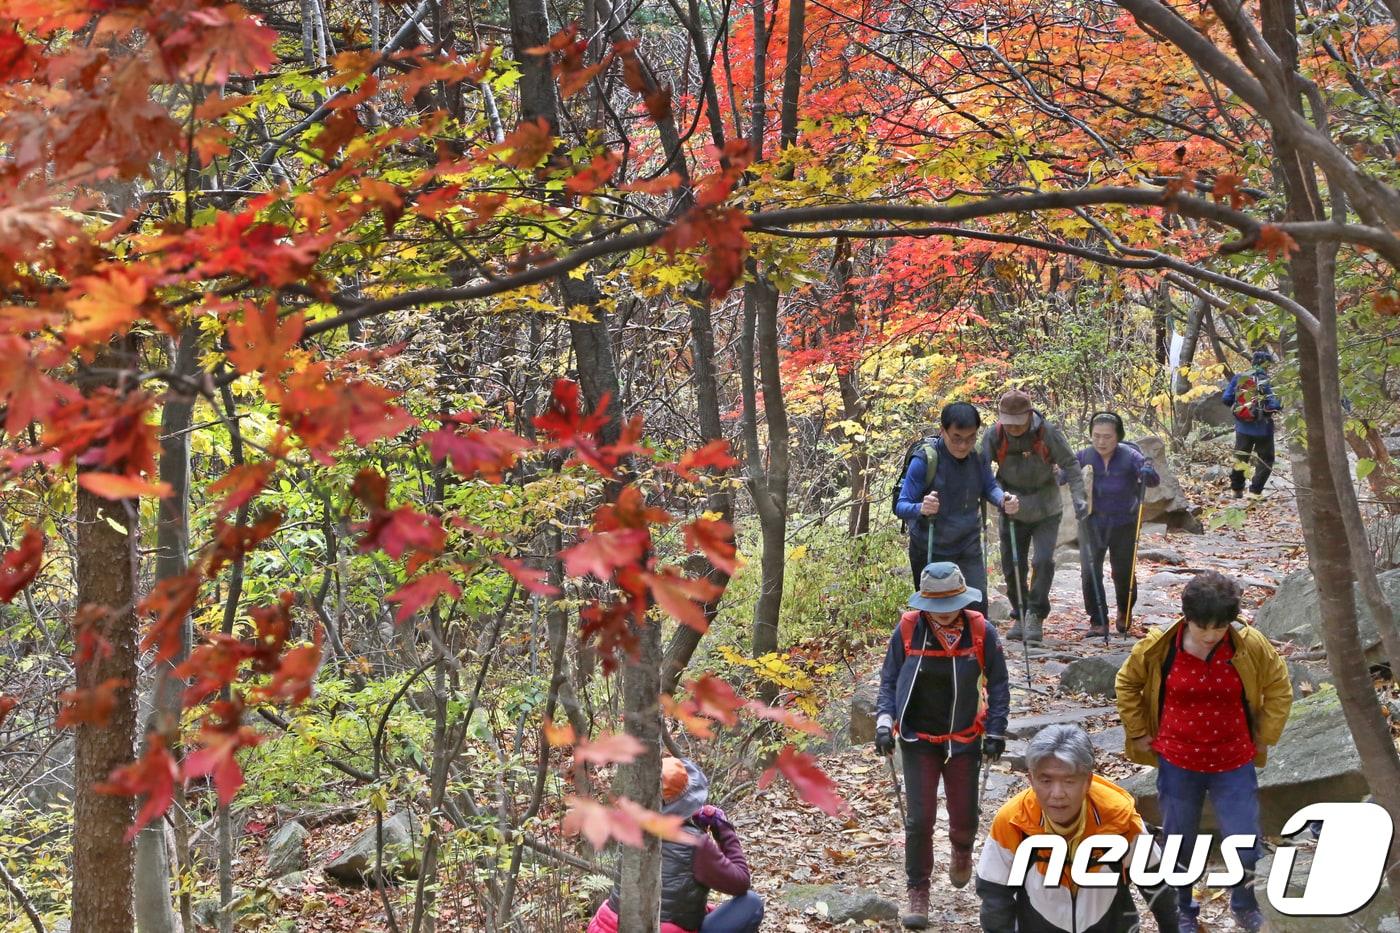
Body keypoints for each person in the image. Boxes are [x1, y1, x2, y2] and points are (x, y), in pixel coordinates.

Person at [1114, 571, 1292, 933]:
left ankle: (1244, 904)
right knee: (1179, 842)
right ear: (1187, 617)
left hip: (1233, 759)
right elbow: (1127, 683)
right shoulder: (1160, 646)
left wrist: (1264, 736)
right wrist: (1139, 730)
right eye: (1202, 627)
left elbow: (1278, 686)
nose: (1211, 635)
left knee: (1245, 840)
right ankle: (1183, 909)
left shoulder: (1249, 644)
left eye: (1220, 627)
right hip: (1178, 760)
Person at [875, 561, 1011, 929]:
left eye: (951, 604)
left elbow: (999, 683)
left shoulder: (981, 630)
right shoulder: (908, 629)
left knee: (965, 816)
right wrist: (884, 722)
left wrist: (995, 731)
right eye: (937, 606)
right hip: (918, 739)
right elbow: (889, 680)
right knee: (919, 820)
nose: (945, 612)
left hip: (964, 738)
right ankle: (918, 890)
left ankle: (962, 848)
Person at [975, 724, 1179, 932]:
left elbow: (1159, 886)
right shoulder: (1012, 822)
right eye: (1046, 780)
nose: (1057, 794)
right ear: (1031, 780)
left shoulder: (1119, 818)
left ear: (1087, 781)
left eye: (1069, 781)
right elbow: (994, 897)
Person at [587, 757, 763, 933]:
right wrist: (723, 828)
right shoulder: (695, 842)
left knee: (707, 910)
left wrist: (692, 822)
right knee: (751, 903)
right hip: (660, 929)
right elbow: (741, 882)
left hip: (608, 925)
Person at [894, 402, 1020, 615]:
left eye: (970, 438)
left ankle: (976, 639)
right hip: (929, 547)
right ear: (942, 431)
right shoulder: (925, 460)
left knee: (976, 611)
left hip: (967, 545)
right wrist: (922, 507)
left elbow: (989, 486)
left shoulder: (978, 455)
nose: (963, 445)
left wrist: (1003, 500)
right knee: (935, 615)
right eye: (957, 438)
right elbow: (901, 505)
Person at [983, 390, 1086, 644]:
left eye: (1018, 423)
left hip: (1046, 507)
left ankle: (1036, 614)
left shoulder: (1047, 433)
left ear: (1029, 415)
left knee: (1043, 561)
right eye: (1008, 422)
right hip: (1011, 506)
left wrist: (1079, 497)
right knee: (1012, 566)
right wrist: (991, 499)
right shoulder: (994, 435)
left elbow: (1071, 464)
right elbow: (980, 470)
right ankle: (1020, 612)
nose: (1013, 428)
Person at [1069, 412, 1160, 637]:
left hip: (1124, 523)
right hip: (1092, 522)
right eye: (1096, 436)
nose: (1101, 441)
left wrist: (1147, 472)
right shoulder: (1084, 455)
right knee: (1090, 571)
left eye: (1107, 437)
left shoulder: (1130, 456)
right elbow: (1064, 475)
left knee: (1123, 572)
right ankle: (1098, 621)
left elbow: (1152, 480)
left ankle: (1124, 611)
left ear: (1118, 436)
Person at [1221, 350, 1282, 500]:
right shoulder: (1267, 381)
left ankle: (1236, 490)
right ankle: (1255, 492)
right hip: (1264, 429)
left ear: (1253, 362)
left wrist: (1241, 410)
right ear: (1266, 365)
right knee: (1266, 459)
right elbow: (1275, 404)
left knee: (1240, 458)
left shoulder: (1239, 378)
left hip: (1243, 427)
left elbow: (1226, 398)